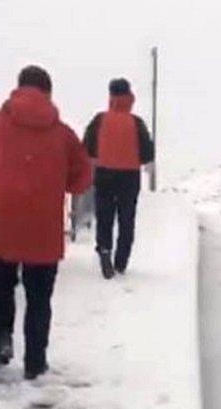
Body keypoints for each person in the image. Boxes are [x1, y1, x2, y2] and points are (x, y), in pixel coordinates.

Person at [0, 66, 92, 380]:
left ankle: (0, 340)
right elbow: (82, 179)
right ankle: (35, 361)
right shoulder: (63, 134)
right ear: (48, 93)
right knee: (38, 297)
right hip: (43, 229)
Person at [83, 78, 154, 279]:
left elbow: (87, 147)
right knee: (126, 218)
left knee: (104, 216)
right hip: (129, 177)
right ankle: (121, 261)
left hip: (104, 173)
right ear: (130, 96)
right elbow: (147, 153)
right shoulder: (136, 122)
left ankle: (105, 251)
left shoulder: (100, 120)